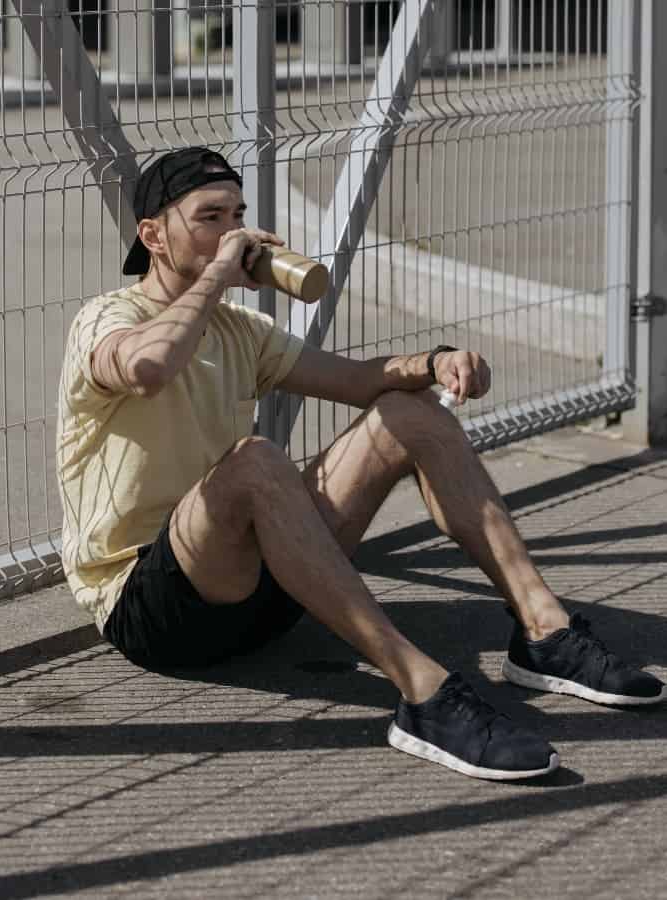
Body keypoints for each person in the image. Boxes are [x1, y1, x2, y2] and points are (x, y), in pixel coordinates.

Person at [55, 147, 665, 780]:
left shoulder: (239, 330)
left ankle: (544, 632)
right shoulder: (105, 319)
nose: (231, 231)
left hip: (260, 594)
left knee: (411, 411)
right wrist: (216, 276)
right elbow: (147, 368)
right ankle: (424, 694)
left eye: (237, 214)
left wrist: (434, 363)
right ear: (152, 235)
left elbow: (358, 379)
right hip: (152, 609)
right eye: (210, 217)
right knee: (257, 461)